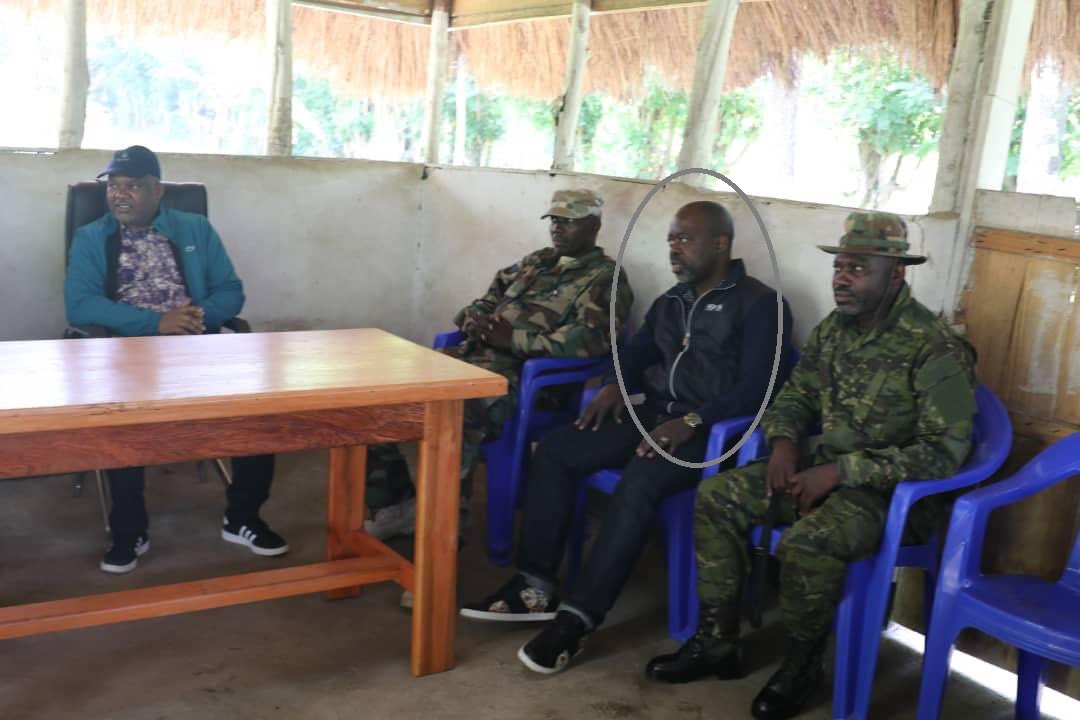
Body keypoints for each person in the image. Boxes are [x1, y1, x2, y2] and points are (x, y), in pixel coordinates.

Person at [645, 212, 977, 720]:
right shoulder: (834, 330)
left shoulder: (934, 347)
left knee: (807, 542)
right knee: (716, 497)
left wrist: (843, 473)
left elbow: (944, 452)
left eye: (858, 269)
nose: (842, 278)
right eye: (840, 266)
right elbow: (795, 395)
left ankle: (802, 666)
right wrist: (783, 442)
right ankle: (716, 643)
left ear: (896, 274)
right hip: (818, 471)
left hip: (889, 497)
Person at [461, 200, 793, 676]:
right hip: (655, 416)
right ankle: (535, 585)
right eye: (671, 239)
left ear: (721, 244)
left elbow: (760, 388)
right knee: (557, 449)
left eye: (685, 239)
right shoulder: (673, 301)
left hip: (710, 435)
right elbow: (636, 353)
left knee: (639, 481)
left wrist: (693, 421)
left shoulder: (761, 305)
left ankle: (578, 619)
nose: (674, 249)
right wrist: (617, 384)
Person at [65, 145, 287, 574]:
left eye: (133, 186)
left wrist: (198, 316)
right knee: (121, 414)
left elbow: (230, 290)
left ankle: (242, 518)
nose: (120, 195)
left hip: (195, 345)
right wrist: (156, 323)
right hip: (123, 350)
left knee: (262, 409)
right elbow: (80, 305)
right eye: (113, 186)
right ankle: (130, 531)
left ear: (158, 190)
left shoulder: (194, 228)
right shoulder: (91, 237)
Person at [364, 189, 634, 542]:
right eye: (554, 220)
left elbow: (592, 340)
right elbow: (488, 298)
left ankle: (444, 530)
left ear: (594, 225)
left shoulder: (605, 278)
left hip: (524, 380)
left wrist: (514, 340)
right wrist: (474, 319)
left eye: (569, 221)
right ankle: (396, 506)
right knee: (378, 396)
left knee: (454, 412)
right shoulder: (537, 261)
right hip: (471, 359)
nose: (557, 228)